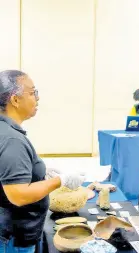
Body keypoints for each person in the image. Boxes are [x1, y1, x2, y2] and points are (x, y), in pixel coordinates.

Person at [0, 70, 85, 253]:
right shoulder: (11, 140)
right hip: (13, 236)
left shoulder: (5, 130)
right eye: (32, 93)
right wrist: (60, 181)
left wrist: (39, 172)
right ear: (15, 100)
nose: (37, 98)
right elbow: (19, 195)